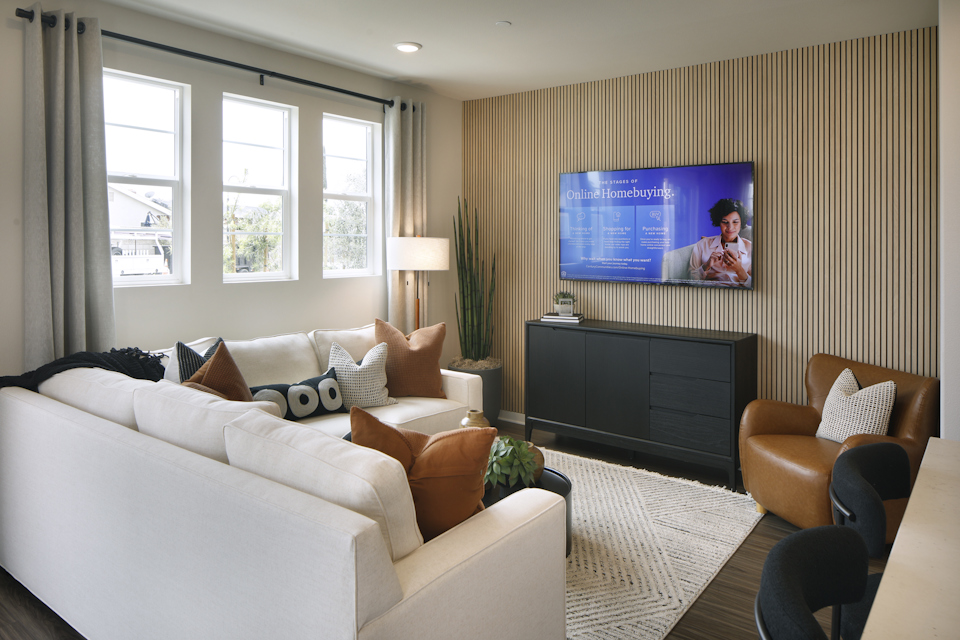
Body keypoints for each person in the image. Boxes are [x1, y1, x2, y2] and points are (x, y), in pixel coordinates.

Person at [688, 198, 752, 288]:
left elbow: (756, 285)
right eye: (725, 222)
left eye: (735, 222)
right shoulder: (702, 245)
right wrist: (706, 266)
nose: (730, 227)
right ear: (718, 221)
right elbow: (689, 280)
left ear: (741, 222)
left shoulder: (750, 248)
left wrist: (739, 270)